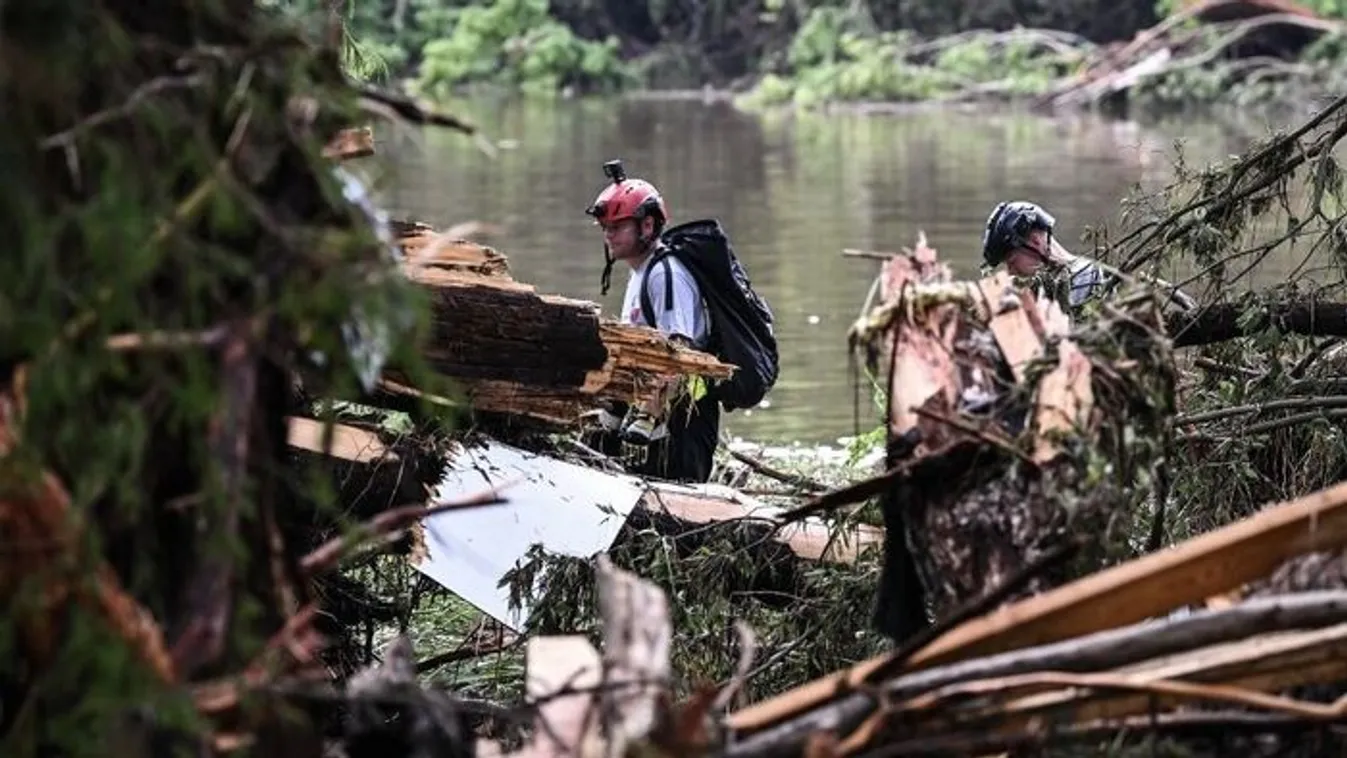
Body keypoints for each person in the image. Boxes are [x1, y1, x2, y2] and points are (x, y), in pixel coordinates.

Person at [581, 161, 721, 484]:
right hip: (655, 421)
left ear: (646, 226)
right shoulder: (641, 273)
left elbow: (678, 354)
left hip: (684, 421)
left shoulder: (665, 275)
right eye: (605, 227)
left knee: (677, 506)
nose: (608, 234)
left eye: (617, 226)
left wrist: (647, 417)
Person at [980, 200, 1196, 318]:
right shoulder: (1046, 288)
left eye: (1011, 261)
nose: (1010, 272)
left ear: (1035, 242)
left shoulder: (1083, 278)